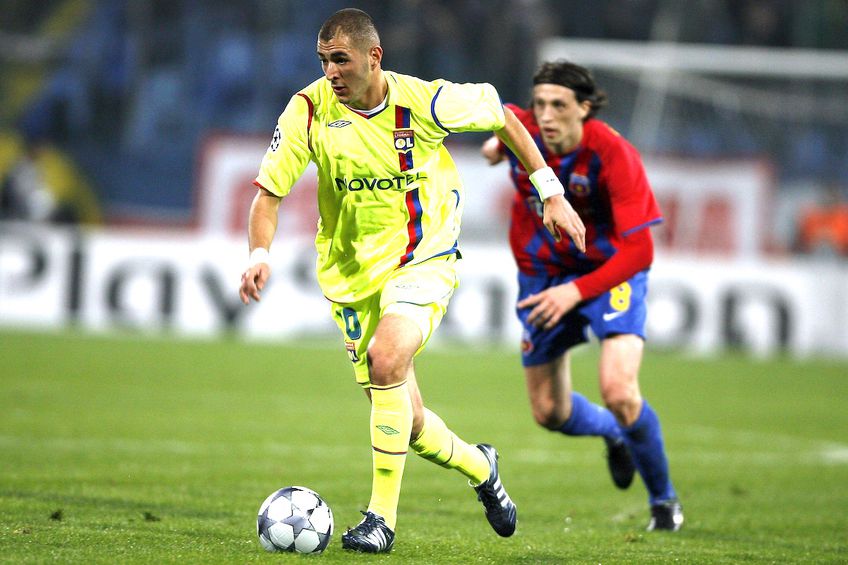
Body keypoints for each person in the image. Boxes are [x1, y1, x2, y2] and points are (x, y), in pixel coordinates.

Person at [239, 9, 586, 553]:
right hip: (351, 273)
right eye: (323, 60)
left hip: (423, 256)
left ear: (374, 57)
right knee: (410, 418)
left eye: (341, 59)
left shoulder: (423, 101)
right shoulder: (307, 110)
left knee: (387, 358)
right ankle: (481, 467)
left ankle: (381, 519)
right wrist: (259, 252)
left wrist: (552, 191)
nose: (330, 71)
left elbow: (503, 114)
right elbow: (269, 194)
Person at [481, 60, 683, 531]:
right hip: (543, 275)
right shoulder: (520, 125)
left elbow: (640, 251)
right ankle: (615, 435)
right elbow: (498, 128)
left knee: (619, 390)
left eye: (559, 106)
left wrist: (576, 292)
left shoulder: (613, 154)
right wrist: (495, 146)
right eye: (540, 105)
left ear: (584, 109)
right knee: (549, 412)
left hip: (606, 273)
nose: (546, 116)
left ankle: (664, 503)